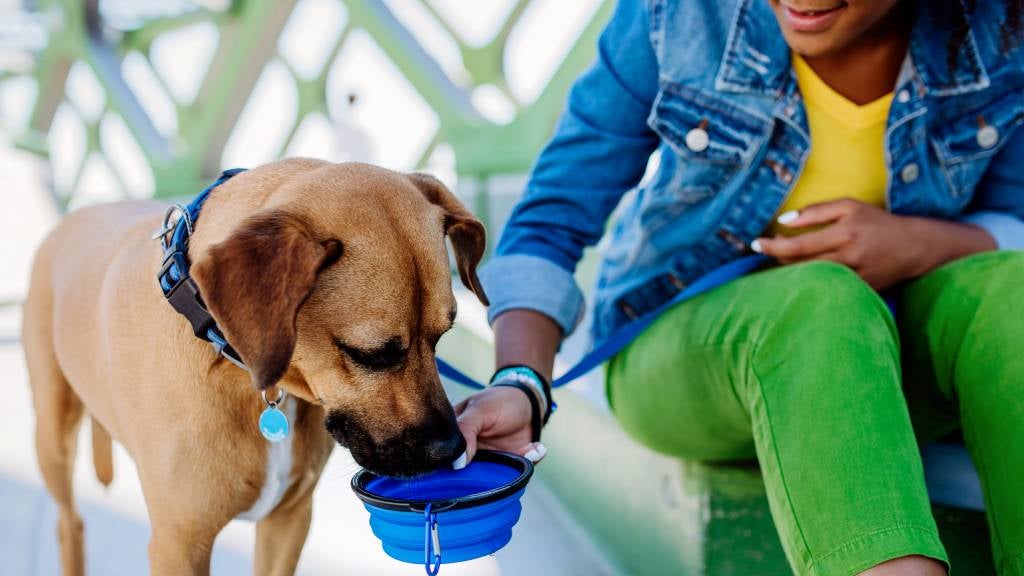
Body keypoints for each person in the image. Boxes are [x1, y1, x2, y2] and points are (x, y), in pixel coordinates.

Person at [453, 1, 1024, 575]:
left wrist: (912, 244)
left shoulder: (1005, 27)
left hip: (896, 359)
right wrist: (521, 382)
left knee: (1012, 292)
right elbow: (553, 219)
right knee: (821, 299)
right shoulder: (675, 14)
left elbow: (1013, 222)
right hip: (680, 357)